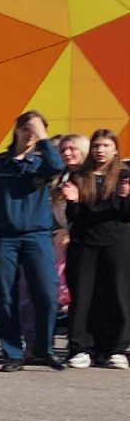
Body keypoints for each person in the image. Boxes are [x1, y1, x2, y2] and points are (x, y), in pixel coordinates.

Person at [0, 109, 67, 371]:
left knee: (46, 293)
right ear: (16, 130)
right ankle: (13, 353)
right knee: (6, 296)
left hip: (36, 236)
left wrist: (43, 138)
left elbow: (58, 167)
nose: (30, 134)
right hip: (4, 237)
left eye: (36, 130)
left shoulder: (42, 162)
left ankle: (43, 349)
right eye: (26, 128)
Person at [61, 129, 130, 368]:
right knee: (82, 297)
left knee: (118, 295)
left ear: (115, 149)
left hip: (116, 243)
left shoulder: (124, 175)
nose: (100, 150)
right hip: (84, 244)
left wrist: (125, 197)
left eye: (106, 146)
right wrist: (74, 201)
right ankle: (81, 348)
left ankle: (117, 349)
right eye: (96, 146)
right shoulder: (80, 176)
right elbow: (74, 215)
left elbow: (124, 215)